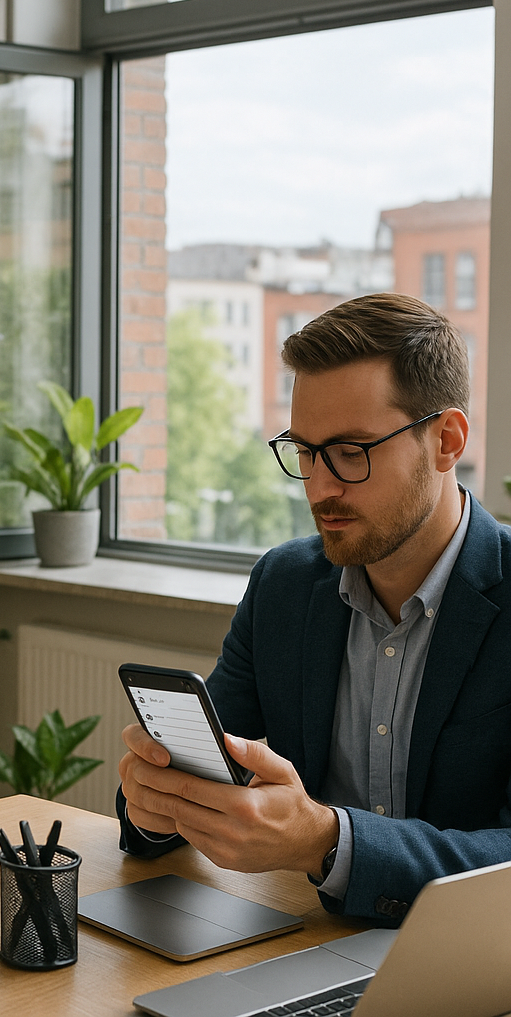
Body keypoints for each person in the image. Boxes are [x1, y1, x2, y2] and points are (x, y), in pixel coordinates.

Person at [118, 292, 511, 925]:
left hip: (474, 956)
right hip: (306, 939)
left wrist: (327, 842)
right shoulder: (285, 586)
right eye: (305, 450)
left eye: (352, 452)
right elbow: (204, 770)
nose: (320, 487)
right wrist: (156, 807)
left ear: (447, 440)